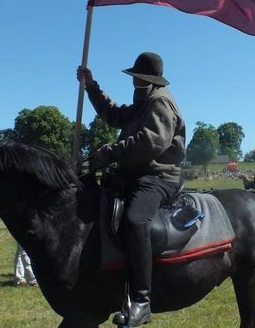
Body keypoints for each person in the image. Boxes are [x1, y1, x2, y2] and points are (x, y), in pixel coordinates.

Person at [77, 52, 186, 327]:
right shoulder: (142, 100)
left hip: (157, 177)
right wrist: (91, 86)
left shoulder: (160, 100)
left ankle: (142, 301)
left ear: (149, 79)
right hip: (132, 173)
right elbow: (114, 115)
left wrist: (111, 151)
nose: (134, 80)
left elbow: (152, 143)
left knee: (136, 219)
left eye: (138, 76)